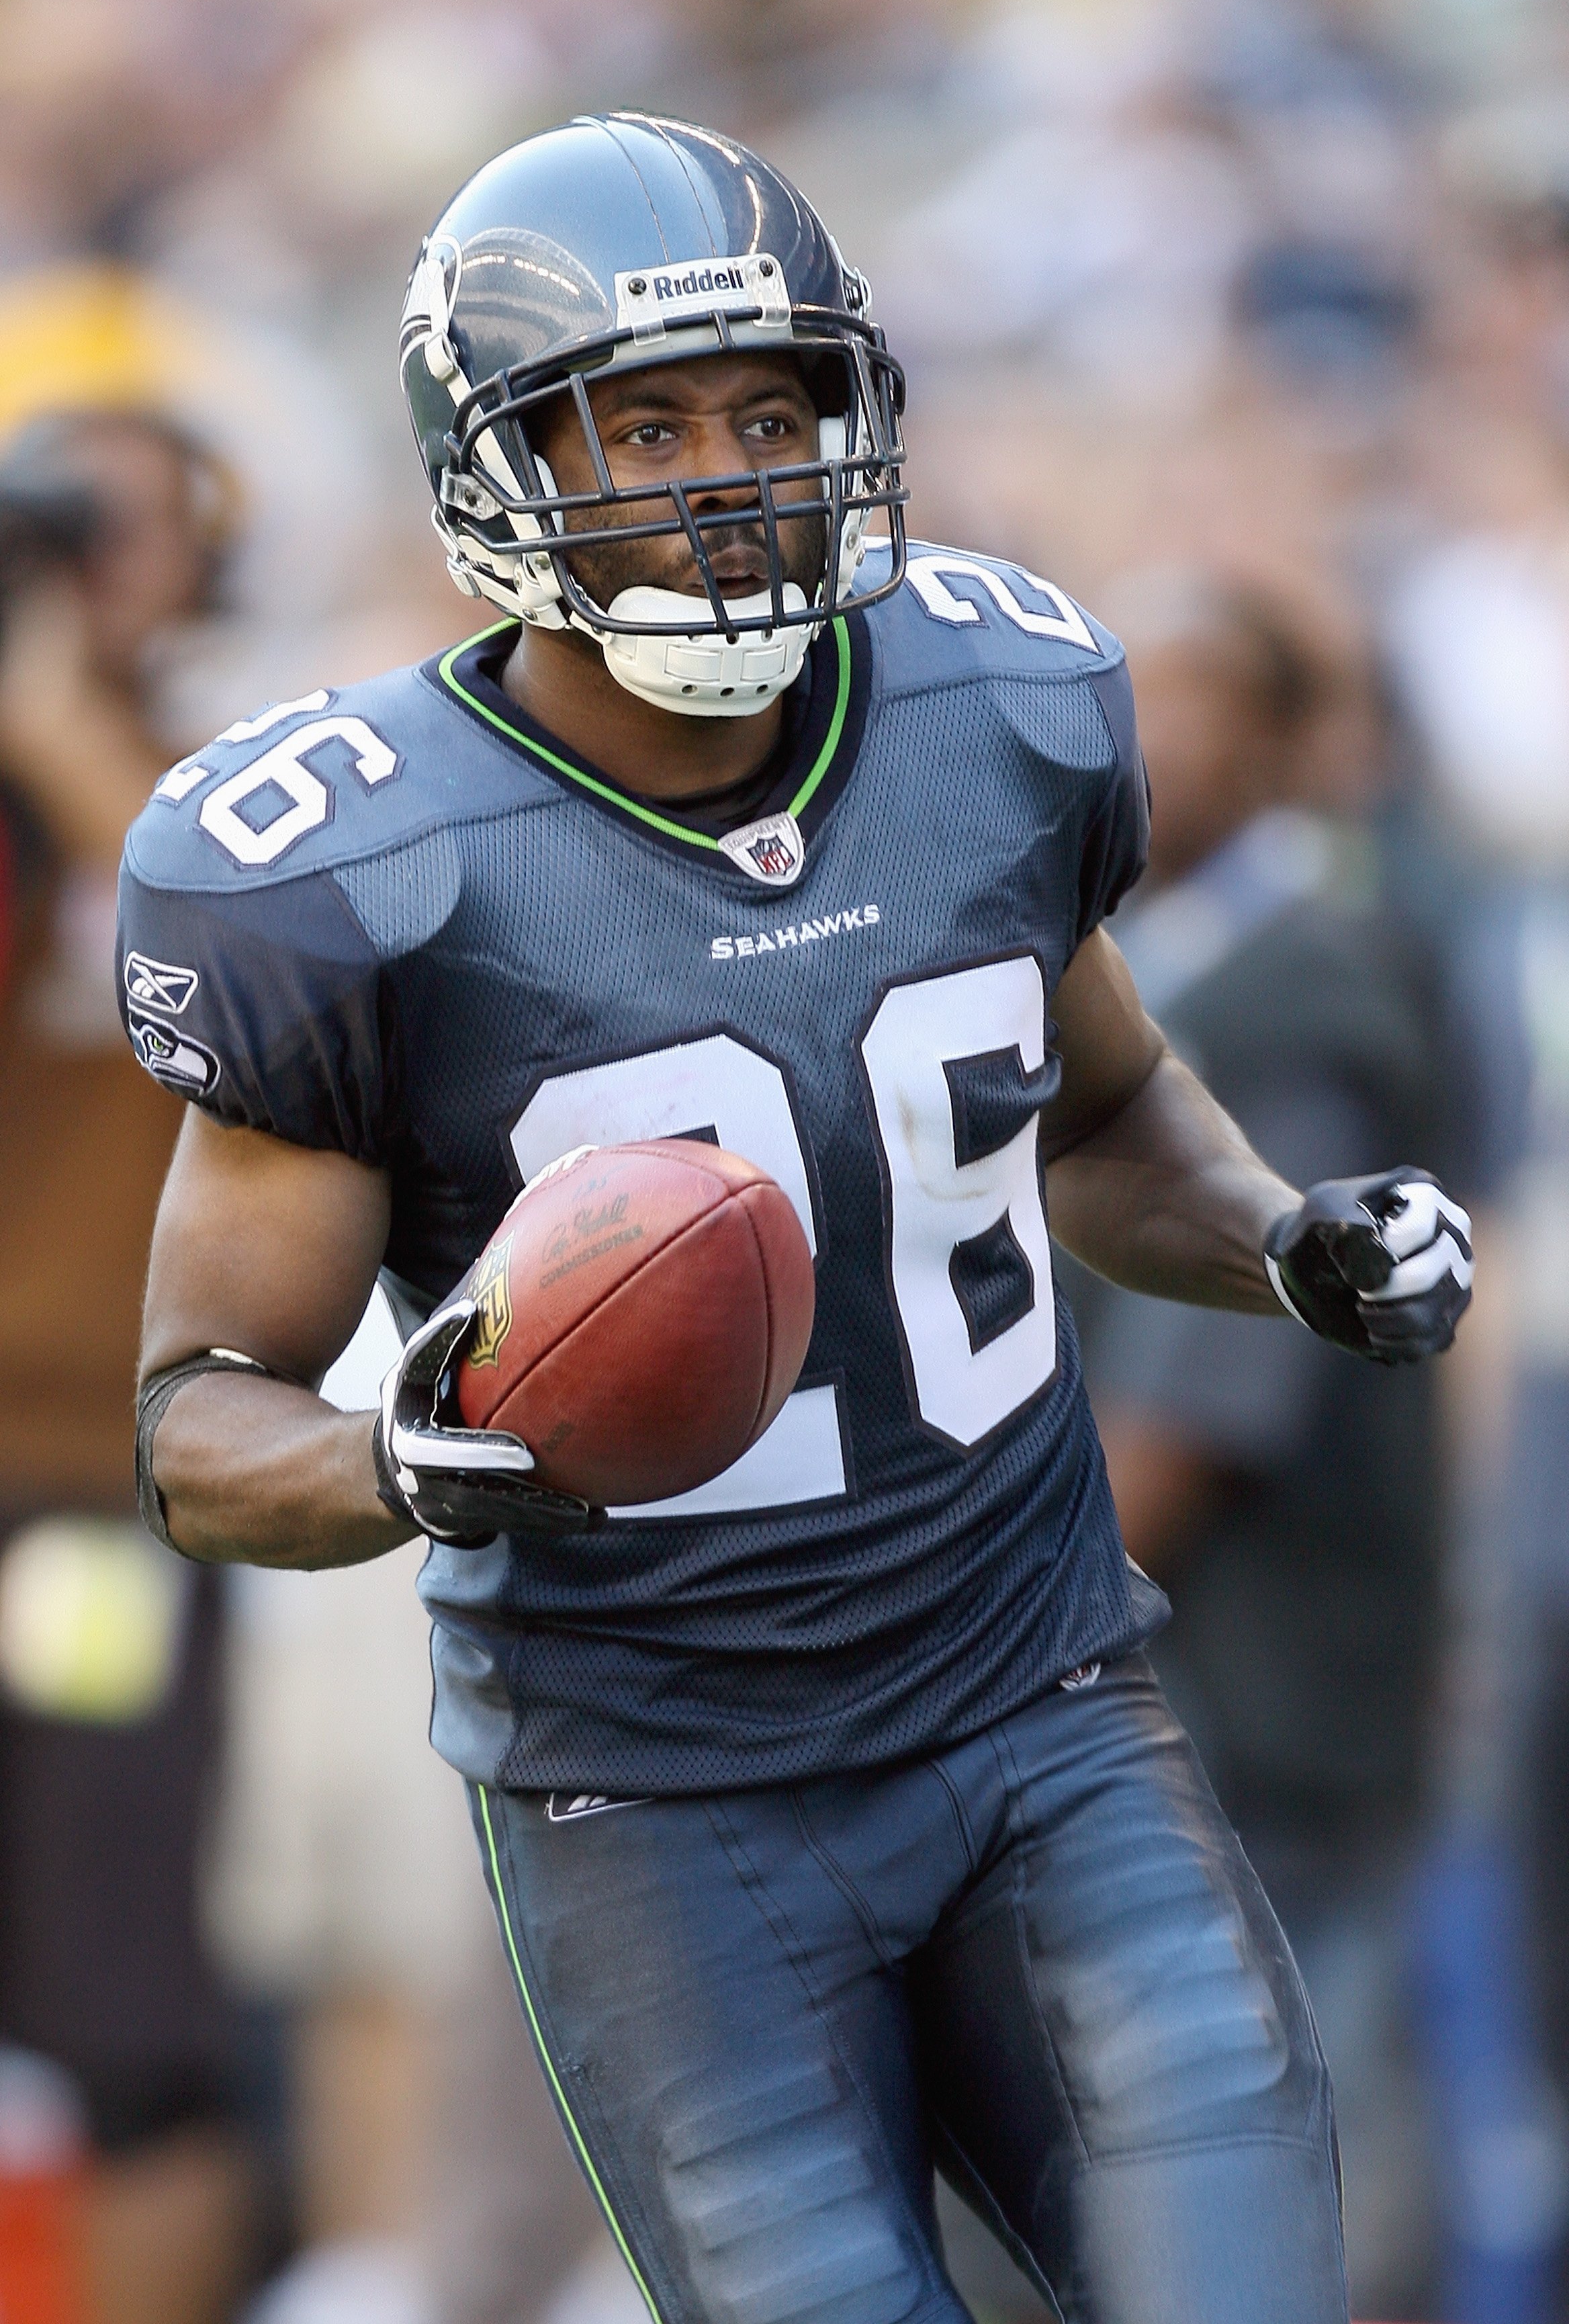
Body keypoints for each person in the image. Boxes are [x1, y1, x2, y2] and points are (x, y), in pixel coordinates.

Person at [117, 117, 1474, 2324]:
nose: (726, 472)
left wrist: (1283, 1234)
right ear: (499, 458)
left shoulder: (992, 713)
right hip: (664, 1816)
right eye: (643, 421)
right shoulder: (348, 871)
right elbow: (196, 1418)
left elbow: (1113, 1116)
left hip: (1043, 1710)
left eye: (773, 410)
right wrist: (393, 1457)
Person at [1062, 568, 1466, 2316]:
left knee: (1282, 2183)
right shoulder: (1171, 963)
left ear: (1302, 744)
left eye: (1204, 696)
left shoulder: (1299, 989)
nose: (1153, 741)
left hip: (1256, 1688)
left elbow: (1198, 1410)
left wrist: (1001, 1619)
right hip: (1222, 1683)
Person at [0, 405, 252, 2324]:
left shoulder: (237, 770)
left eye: (118, 525)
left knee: (117, 1991)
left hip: (96, 1493)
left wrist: (56, 719)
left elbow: (225, 954)